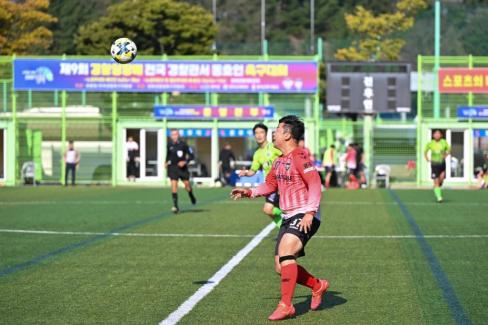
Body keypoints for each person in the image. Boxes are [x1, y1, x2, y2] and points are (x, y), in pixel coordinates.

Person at [231, 115, 329, 321]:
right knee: (280, 266)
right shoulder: (278, 161)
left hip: (304, 213)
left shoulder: (300, 158)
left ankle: (286, 306)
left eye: (277, 129)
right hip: (288, 215)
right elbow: (270, 186)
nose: (273, 132)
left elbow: (315, 184)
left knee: (286, 254)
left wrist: (310, 213)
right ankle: (317, 285)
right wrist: (249, 192)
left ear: (287, 134)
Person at [239, 123, 282, 227]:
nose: (259, 135)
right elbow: (253, 170)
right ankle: (283, 226)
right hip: (269, 186)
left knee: (268, 209)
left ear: (266, 134)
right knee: (268, 210)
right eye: (256, 133)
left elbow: (286, 156)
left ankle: (285, 219)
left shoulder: (273, 147)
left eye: (261, 132)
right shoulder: (257, 153)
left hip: (280, 183)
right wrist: (245, 173)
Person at [166, 129, 197, 213]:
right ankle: (175, 206)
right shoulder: (169, 145)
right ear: (171, 136)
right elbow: (168, 155)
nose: (174, 136)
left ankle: (191, 195)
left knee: (187, 185)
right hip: (172, 168)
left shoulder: (183, 145)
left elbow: (192, 155)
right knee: (174, 185)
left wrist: (185, 162)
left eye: (175, 134)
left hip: (182, 169)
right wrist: (166, 162)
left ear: (178, 135)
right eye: (172, 135)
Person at [424, 130, 450, 202]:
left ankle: (437, 187)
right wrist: (426, 158)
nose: (437, 135)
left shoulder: (444, 142)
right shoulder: (430, 143)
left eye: (438, 134)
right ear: (433, 135)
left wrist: (445, 155)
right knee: (436, 181)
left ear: (441, 135)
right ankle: (439, 197)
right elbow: (425, 151)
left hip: (442, 164)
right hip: (434, 164)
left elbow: (449, 150)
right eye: (435, 134)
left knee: (441, 179)